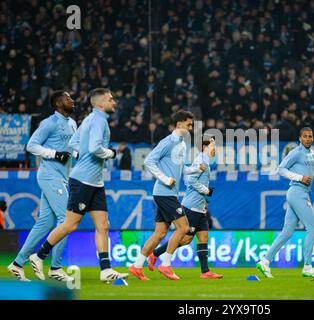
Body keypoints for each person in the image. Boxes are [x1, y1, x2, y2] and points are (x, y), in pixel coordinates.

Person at [29, 88, 129, 282]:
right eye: (111, 99)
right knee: (70, 224)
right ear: (100, 103)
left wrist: (78, 155)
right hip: (83, 181)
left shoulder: (90, 119)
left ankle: (105, 269)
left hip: (95, 182)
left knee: (103, 225)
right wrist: (111, 153)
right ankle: (39, 255)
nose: (114, 102)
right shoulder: (99, 120)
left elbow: (74, 143)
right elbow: (94, 149)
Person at [7, 91, 77, 282]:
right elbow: (31, 145)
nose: (72, 100)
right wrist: (54, 154)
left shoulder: (72, 123)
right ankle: (55, 267)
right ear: (57, 103)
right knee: (66, 221)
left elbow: (72, 152)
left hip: (61, 178)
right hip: (49, 175)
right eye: (67, 98)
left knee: (45, 223)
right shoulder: (49, 123)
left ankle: (17, 264)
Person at [129, 110, 205, 281]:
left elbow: (181, 168)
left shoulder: (181, 144)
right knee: (184, 228)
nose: (191, 128)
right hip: (164, 193)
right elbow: (149, 160)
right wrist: (164, 178)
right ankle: (166, 265)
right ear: (179, 124)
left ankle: (137, 266)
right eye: (188, 124)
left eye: (192, 125)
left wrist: (194, 168)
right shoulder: (168, 142)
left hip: (167, 193)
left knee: (160, 233)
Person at [256, 127, 314, 278]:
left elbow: (308, 175)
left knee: (287, 232)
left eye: (310, 136)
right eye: (305, 136)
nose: (308, 139)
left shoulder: (312, 154)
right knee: (313, 228)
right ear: (300, 138)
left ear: (313, 138)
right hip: (297, 193)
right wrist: (299, 178)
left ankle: (264, 261)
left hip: (300, 193)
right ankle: (307, 267)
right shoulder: (296, 152)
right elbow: (281, 169)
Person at [147, 137, 223, 279]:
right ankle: (155, 254)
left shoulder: (205, 161)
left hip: (200, 207)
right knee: (185, 239)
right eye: (213, 145)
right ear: (205, 147)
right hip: (191, 206)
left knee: (203, 237)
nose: (215, 149)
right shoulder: (200, 161)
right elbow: (190, 180)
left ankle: (205, 272)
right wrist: (206, 191)